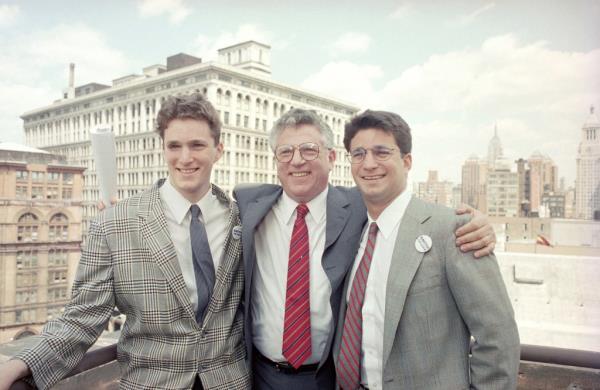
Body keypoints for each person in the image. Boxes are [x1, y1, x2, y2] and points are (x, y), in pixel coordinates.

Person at [234, 109, 497, 390]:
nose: (297, 160)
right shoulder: (248, 204)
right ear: (275, 160)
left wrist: (475, 223)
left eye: (309, 150)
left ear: (332, 157)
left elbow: (401, 205)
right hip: (262, 375)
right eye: (285, 152)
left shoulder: (359, 208)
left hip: (328, 377)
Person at [0, 94, 250, 390]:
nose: (185, 158)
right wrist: (19, 364)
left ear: (218, 150)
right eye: (174, 146)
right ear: (163, 149)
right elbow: (82, 315)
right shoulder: (113, 223)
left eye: (197, 145)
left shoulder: (242, 218)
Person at [334, 110, 520, 390]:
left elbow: (497, 337)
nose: (368, 164)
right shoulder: (353, 229)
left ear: (407, 161)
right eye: (358, 154)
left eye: (381, 152)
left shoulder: (452, 230)